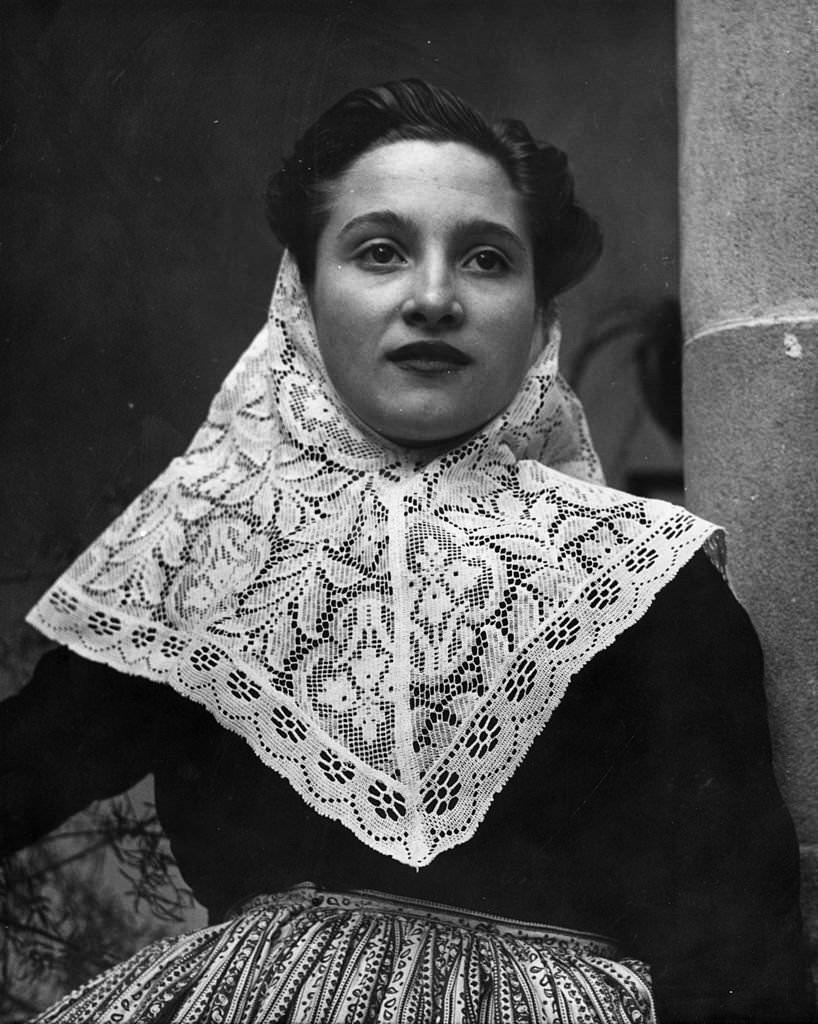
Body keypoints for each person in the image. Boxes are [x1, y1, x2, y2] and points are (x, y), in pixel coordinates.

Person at [1, 79, 812, 1024]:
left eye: (486, 260)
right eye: (380, 252)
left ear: (541, 314)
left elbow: (739, 964)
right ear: (301, 295)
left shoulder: (644, 583)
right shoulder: (207, 556)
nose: (434, 298)